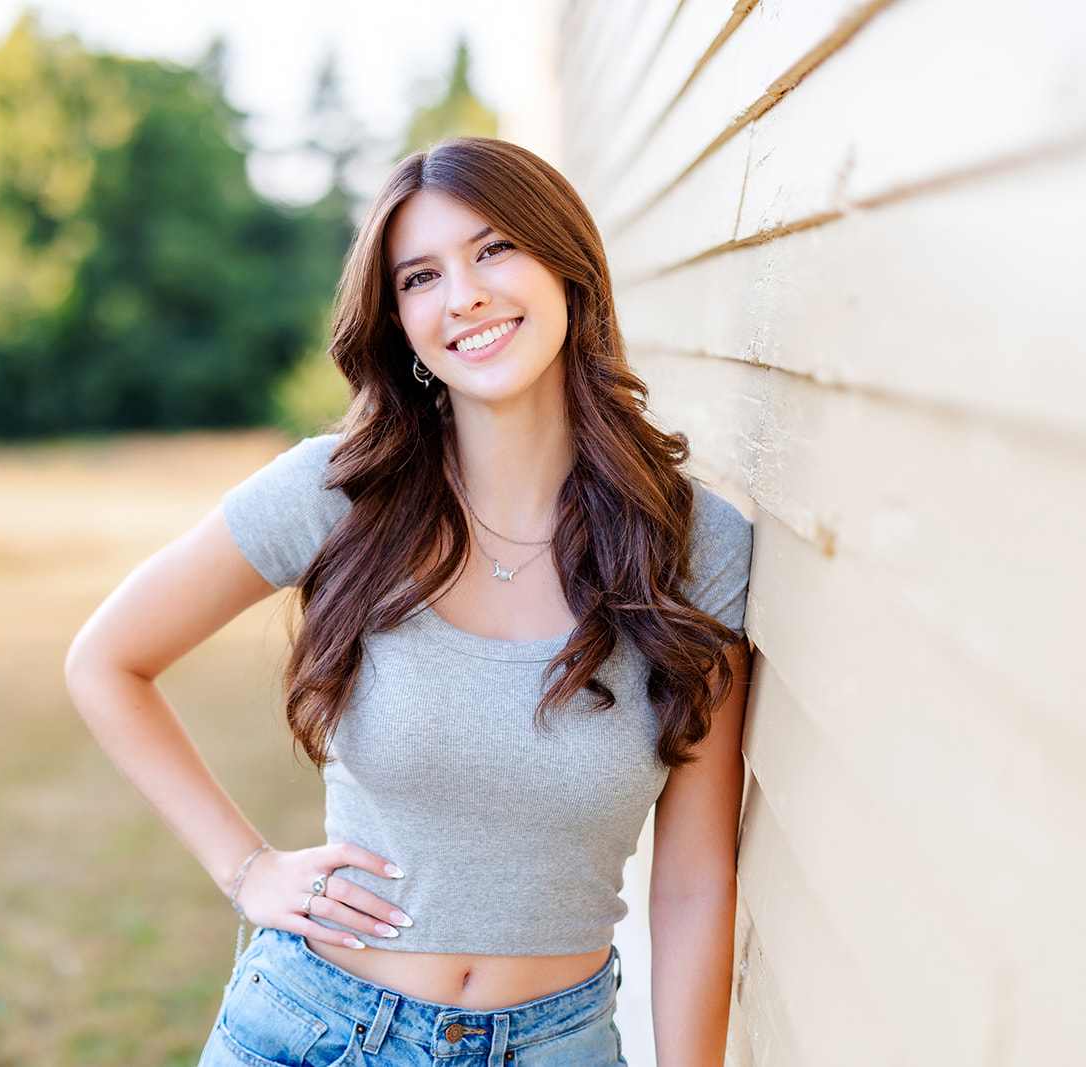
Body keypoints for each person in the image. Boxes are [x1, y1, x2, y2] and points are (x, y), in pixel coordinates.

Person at [65, 137, 752, 1066]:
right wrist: (248, 868)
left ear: (569, 267)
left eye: (494, 249)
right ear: (398, 320)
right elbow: (107, 661)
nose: (461, 293)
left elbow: (695, 882)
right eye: (419, 276)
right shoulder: (338, 492)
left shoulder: (692, 544)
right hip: (316, 1028)